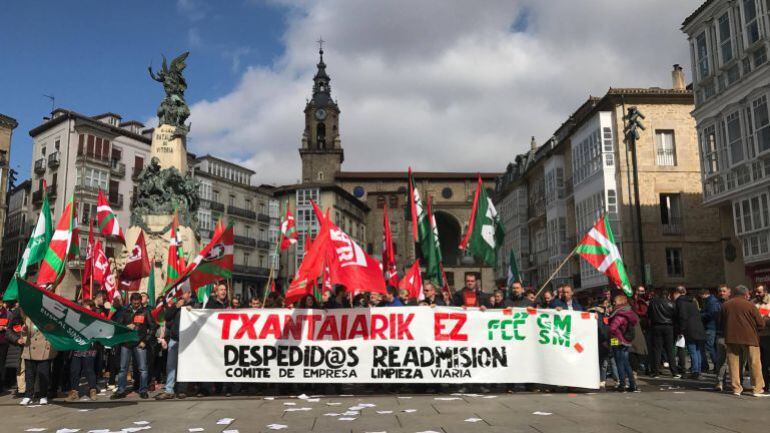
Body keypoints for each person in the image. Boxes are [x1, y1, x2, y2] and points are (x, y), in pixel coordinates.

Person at [721, 285, 769, 397]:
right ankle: (757, 388)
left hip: (731, 337)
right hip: (750, 337)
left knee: (733, 363)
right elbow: (760, 324)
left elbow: (721, 322)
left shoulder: (725, 305)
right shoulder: (750, 305)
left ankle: (736, 388)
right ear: (746, 294)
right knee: (754, 362)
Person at [111, 293, 155, 400]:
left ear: (140, 301)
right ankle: (121, 390)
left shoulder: (145, 311)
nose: (136, 304)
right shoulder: (124, 311)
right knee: (123, 369)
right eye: (134, 302)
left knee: (143, 369)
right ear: (131, 301)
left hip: (140, 343)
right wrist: (126, 326)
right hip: (126, 343)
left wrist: (145, 341)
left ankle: (143, 390)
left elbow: (153, 327)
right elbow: (117, 326)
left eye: (138, 302)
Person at [8, 310, 57, 405]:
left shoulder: (49, 317)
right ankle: (28, 395)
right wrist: (23, 332)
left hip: (44, 349)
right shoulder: (28, 317)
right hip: (29, 348)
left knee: (44, 374)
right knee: (29, 375)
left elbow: (52, 330)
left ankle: (43, 395)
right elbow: (25, 333)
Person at [156, 291, 193, 400]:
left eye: (186, 292)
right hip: (174, 339)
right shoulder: (176, 305)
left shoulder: (195, 305)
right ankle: (169, 390)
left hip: (186, 341)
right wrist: (176, 306)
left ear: (189, 294)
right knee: (171, 366)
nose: (183, 295)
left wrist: (192, 310)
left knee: (184, 366)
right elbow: (167, 316)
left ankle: (182, 390)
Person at [66, 300, 99, 402]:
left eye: (87, 307)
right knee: (74, 370)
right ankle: (74, 392)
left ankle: (92, 390)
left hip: (89, 347)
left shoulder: (95, 319)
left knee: (89, 370)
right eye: (84, 307)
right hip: (77, 347)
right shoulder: (76, 318)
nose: (85, 309)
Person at [673, 286, 706, 379]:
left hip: (689, 329)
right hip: (698, 328)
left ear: (676, 293)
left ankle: (695, 372)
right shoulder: (692, 301)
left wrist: (681, 330)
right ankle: (698, 370)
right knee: (697, 350)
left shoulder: (680, 302)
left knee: (692, 350)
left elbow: (682, 316)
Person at [608, 294, 639, 392]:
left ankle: (622, 384)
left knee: (619, 362)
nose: (613, 303)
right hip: (625, 340)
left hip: (617, 340)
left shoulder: (619, 314)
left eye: (615, 301)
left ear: (621, 302)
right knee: (625, 362)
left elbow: (612, 328)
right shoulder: (627, 312)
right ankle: (632, 384)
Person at [648, 288, 679, 378]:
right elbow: (675, 316)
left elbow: (649, 314)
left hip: (656, 326)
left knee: (657, 349)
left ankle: (656, 371)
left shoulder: (653, 303)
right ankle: (674, 371)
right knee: (670, 349)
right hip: (669, 326)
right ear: (668, 295)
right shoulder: (671, 303)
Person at [714, 285, 731, 391]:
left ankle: (738, 382)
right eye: (720, 291)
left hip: (733, 335)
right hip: (722, 335)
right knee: (722, 361)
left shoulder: (732, 303)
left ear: (729, 292)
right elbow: (717, 318)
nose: (722, 293)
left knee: (737, 361)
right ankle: (720, 382)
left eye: (724, 291)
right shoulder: (716, 305)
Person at [753, 285, 770, 392]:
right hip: (757, 336)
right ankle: (764, 384)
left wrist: (761, 320)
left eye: (759, 292)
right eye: (756, 292)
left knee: (767, 361)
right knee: (761, 362)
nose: (757, 294)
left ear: (765, 292)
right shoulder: (753, 302)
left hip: (768, 335)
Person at [700, 288, 721, 372]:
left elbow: (710, 314)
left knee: (710, 347)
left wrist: (700, 314)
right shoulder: (711, 301)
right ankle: (716, 365)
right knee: (711, 347)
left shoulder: (711, 302)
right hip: (711, 326)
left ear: (704, 294)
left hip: (710, 327)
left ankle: (716, 365)